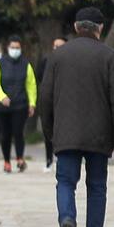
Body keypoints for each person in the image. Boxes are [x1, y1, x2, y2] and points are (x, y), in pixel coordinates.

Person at [37, 7, 114, 227]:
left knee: (65, 182)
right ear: (100, 28)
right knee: (97, 186)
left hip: (65, 133)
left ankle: (67, 219)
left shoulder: (58, 56)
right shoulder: (109, 56)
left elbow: (44, 97)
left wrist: (49, 131)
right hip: (99, 135)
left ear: (77, 27)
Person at [0, 36, 38, 173]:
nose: (15, 50)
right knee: (5, 135)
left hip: (20, 105)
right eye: (13, 47)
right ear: (8, 48)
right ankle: (6, 161)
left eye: (17, 48)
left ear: (21, 48)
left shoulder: (26, 64)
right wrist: (2, 97)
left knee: (18, 132)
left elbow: (31, 85)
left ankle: (20, 158)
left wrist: (32, 103)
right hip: (3, 106)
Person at [37, 37, 67, 170]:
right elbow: (39, 77)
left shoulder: (71, 62)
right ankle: (49, 160)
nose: (57, 48)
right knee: (48, 132)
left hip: (65, 102)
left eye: (60, 46)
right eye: (55, 46)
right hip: (49, 102)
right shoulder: (46, 61)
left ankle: (63, 160)